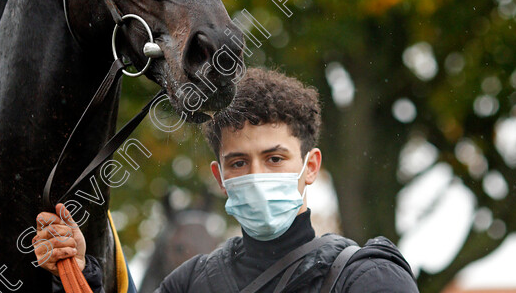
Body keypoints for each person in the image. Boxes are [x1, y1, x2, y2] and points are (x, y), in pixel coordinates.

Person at [33, 67, 418, 292]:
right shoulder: (190, 284)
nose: (256, 175)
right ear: (220, 177)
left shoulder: (367, 277)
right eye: (238, 163)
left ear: (311, 166)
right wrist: (82, 272)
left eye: (274, 158)